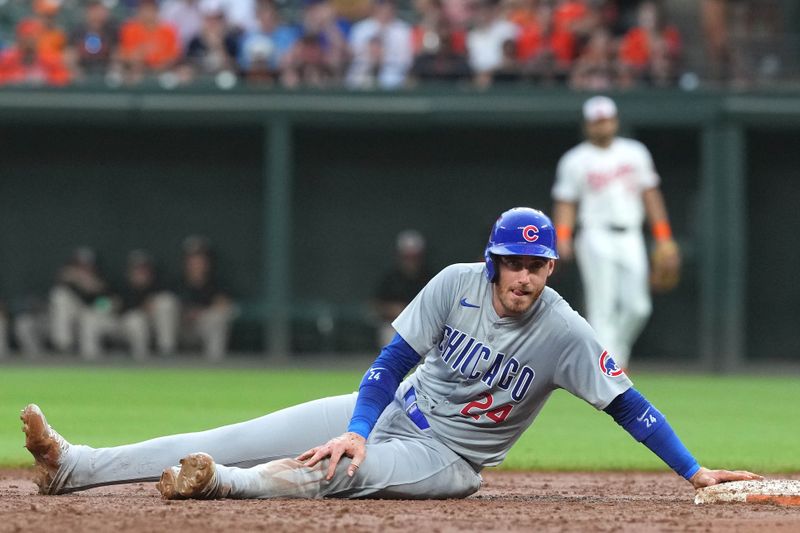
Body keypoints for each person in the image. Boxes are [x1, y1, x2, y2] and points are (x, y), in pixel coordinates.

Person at [21, 207, 759, 501]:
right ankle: (75, 466)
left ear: (551, 269)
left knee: (338, 471)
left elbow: (629, 404)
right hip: (393, 412)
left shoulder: (565, 331)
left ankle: (221, 488)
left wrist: (694, 469)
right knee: (229, 435)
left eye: (537, 266)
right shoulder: (451, 285)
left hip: (446, 458)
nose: (525, 277)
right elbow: (389, 362)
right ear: (493, 260)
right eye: (514, 263)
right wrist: (362, 420)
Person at [551, 96, 680, 370]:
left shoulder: (635, 153)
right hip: (594, 235)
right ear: (587, 125)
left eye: (606, 119)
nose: (602, 125)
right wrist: (563, 236)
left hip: (631, 234)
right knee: (602, 308)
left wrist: (664, 236)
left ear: (615, 121)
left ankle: (615, 356)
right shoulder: (575, 160)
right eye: (597, 121)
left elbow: (651, 196)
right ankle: (610, 369)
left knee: (639, 307)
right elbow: (566, 202)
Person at [80, 250, 179, 361]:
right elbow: (98, 303)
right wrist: (108, 305)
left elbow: (168, 298)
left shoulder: (156, 286)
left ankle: (143, 360)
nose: (140, 272)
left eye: (144, 269)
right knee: (89, 317)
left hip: (138, 326)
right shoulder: (119, 283)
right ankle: (90, 360)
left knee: (136, 319)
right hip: (115, 322)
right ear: (130, 270)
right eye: (137, 268)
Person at [176, 236, 235, 360]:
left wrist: (200, 313)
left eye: (200, 258)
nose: (196, 263)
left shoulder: (218, 283)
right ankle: (165, 358)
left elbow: (224, 304)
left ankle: (214, 363)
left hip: (202, 327)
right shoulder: (175, 282)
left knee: (219, 316)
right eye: (192, 258)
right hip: (179, 328)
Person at [374, 230, 432, 348]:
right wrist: (394, 309)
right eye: (407, 257)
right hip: (395, 326)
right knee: (389, 336)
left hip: (424, 326)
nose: (410, 261)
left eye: (414, 257)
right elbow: (375, 305)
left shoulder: (430, 276)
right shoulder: (390, 278)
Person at [48, 247, 111, 355]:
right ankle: (64, 345)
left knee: (89, 318)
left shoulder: (102, 280)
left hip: (96, 316)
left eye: (86, 264)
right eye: (79, 264)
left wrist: (94, 288)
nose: (83, 268)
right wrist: (78, 280)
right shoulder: (68, 279)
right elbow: (59, 292)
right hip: (72, 316)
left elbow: (106, 305)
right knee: (59, 295)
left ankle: (91, 360)